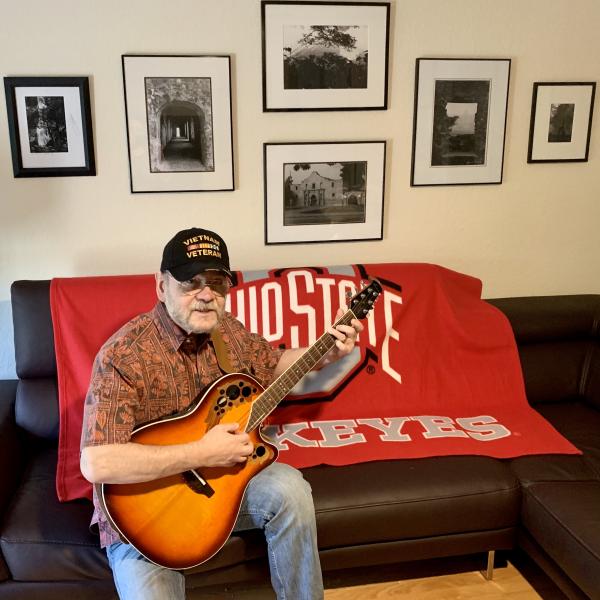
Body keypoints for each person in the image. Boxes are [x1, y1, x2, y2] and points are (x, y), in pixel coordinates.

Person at [80, 227, 363, 600]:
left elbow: (273, 364)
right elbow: (98, 463)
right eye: (190, 282)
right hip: (142, 519)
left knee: (290, 490)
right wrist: (202, 453)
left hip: (219, 488)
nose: (206, 295)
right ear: (161, 286)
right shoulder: (124, 354)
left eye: (216, 282)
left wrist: (325, 352)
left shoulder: (225, 331)